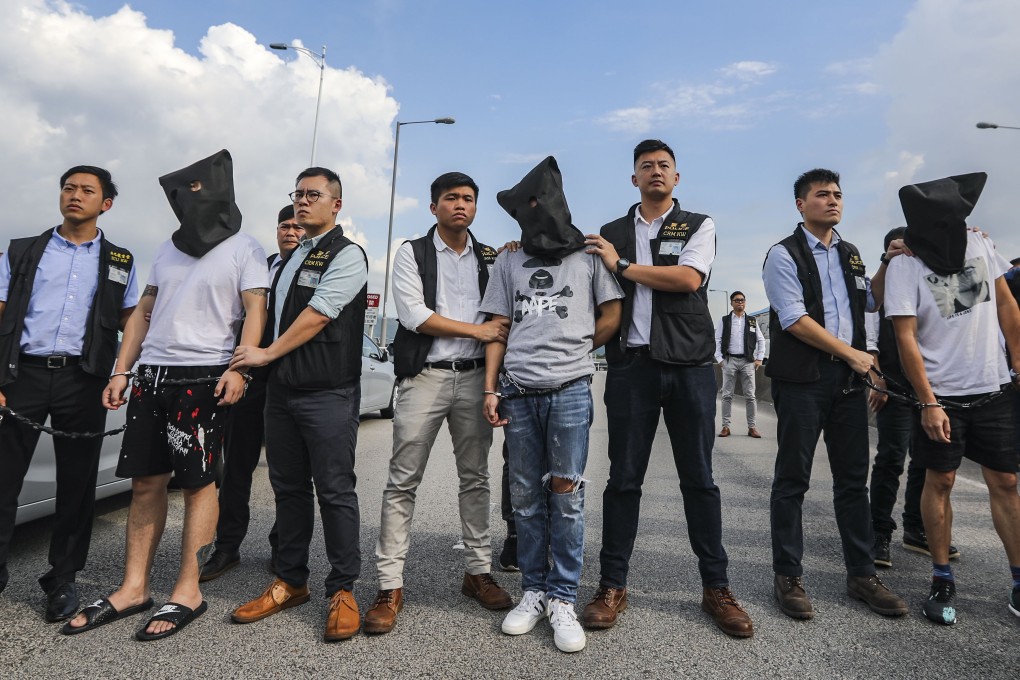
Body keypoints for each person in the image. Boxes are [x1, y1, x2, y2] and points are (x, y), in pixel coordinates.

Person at [63, 149, 269, 639]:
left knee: (198, 485)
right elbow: (144, 313)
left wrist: (241, 368)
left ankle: (187, 590)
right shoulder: (165, 248)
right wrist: (121, 370)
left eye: (194, 189)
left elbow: (254, 313)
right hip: (153, 374)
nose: (185, 199)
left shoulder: (246, 247)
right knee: (145, 483)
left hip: (206, 375)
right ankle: (134, 587)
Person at [582, 139, 753, 638]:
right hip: (631, 367)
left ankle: (716, 588)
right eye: (645, 166)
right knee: (623, 480)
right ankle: (612, 585)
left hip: (691, 367)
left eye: (664, 166)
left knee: (699, 479)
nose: (655, 172)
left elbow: (687, 279)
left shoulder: (698, 224)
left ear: (677, 178)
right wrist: (516, 247)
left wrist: (622, 266)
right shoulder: (611, 232)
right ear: (633, 178)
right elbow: (573, 269)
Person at [482, 156, 622, 653]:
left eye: (536, 204)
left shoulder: (587, 256)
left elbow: (612, 312)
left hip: (569, 390)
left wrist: (581, 348)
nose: (530, 213)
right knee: (524, 494)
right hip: (518, 390)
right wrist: (491, 388)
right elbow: (497, 328)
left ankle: (563, 596)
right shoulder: (508, 259)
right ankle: (534, 590)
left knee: (566, 493)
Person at [364, 172, 512, 634]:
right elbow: (414, 316)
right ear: (434, 207)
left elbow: (506, 308)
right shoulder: (413, 251)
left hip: (474, 380)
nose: (461, 205)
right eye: (451, 198)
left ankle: (478, 572)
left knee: (476, 479)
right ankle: (390, 584)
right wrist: (478, 331)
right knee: (402, 480)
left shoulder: (489, 257)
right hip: (425, 377)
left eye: (469, 198)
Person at [762, 168, 908, 620]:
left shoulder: (852, 254)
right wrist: (854, 356)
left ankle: (862, 574)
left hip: (848, 381)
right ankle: (788, 576)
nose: (832, 200)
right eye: (822, 194)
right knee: (793, 480)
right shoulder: (782, 255)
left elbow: (871, 304)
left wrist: (889, 260)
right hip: (804, 381)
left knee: (852, 481)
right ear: (800, 205)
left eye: (837, 194)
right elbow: (794, 319)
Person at [229, 167, 368, 642]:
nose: (302, 202)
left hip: (327, 394)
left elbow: (318, 314)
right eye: (298, 194)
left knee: (334, 491)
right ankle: (291, 581)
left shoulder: (347, 255)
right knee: (288, 490)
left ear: (336, 205)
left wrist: (265, 354)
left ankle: (343, 589)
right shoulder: (289, 259)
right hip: (282, 394)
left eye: (313, 195)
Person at [0, 166, 138, 622]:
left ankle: (61, 579)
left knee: (78, 485)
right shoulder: (22, 250)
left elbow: (131, 318)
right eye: (68, 187)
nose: (75, 195)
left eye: (87, 190)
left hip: (84, 379)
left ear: (106, 204)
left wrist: (122, 370)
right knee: (3, 477)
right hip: (23, 375)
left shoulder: (120, 259)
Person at [884, 172, 1020, 625]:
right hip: (943, 396)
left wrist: (1018, 365)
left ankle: (1018, 579)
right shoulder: (906, 266)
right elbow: (906, 338)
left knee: (1006, 484)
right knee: (939, 482)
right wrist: (928, 402)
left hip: (994, 388)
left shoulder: (980, 246)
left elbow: (1006, 307)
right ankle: (941, 576)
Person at [200, 205, 304, 581]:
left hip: (290, 378)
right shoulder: (263, 266)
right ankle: (227, 546)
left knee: (285, 471)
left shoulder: (315, 267)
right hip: (249, 378)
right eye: (284, 226)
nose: (290, 231)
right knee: (235, 467)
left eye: (296, 226)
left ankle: (282, 547)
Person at [865, 227, 960, 569]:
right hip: (895, 383)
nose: (908, 251)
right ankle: (878, 531)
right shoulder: (882, 281)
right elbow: (869, 333)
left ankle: (915, 528)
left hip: (934, 386)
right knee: (891, 457)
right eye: (899, 246)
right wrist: (876, 378)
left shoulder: (933, 278)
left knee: (926, 460)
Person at [714, 291, 766, 438]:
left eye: (742, 300)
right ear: (731, 303)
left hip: (747, 361)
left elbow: (761, 340)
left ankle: (752, 427)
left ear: (745, 302)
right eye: (736, 300)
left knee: (750, 396)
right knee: (727, 395)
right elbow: (717, 340)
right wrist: (719, 359)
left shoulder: (751, 320)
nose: (740, 302)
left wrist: (759, 359)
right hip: (729, 360)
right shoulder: (724, 320)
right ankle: (725, 426)